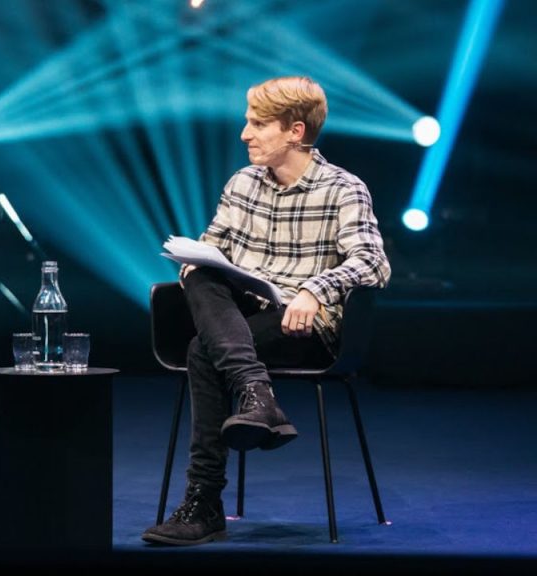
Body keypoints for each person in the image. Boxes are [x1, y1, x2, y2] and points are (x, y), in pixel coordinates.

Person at [141, 76, 390, 546]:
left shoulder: (343, 188)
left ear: (295, 131)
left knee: (202, 351)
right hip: (241, 317)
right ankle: (258, 395)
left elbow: (374, 263)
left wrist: (315, 289)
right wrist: (197, 261)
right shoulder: (242, 183)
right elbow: (211, 247)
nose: (245, 134)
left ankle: (204, 501)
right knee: (202, 275)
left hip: (304, 326)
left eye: (257, 124)